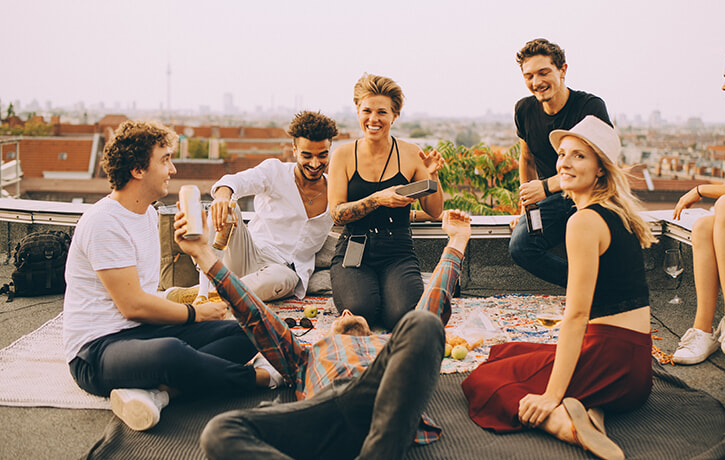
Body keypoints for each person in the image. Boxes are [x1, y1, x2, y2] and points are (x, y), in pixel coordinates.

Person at [171, 208, 471, 460]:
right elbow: (255, 315)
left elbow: (432, 305)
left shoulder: (390, 345)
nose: (347, 313)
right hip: (323, 411)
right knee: (220, 432)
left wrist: (457, 240)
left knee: (425, 324)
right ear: (326, 335)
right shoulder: (302, 356)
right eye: (342, 315)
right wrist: (202, 253)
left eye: (350, 314)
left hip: (384, 400)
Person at [463, 116, 655, 460]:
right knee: (506, 352)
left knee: (485, 378)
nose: (564, 162)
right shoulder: (619, 213)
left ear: (600, 169)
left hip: (607, 360)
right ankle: (590, 413)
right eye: (563, 154)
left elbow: (577, 316)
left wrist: (550, 395)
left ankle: (562, 423)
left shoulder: (583, 221)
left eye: (579, 156)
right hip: (636, 373)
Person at [63, 120, 271, 433]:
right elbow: (132, 305)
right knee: (172, 353)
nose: (172, 169)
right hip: (95, 352)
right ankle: (261, 379)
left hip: (140, 334)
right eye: (165, 160)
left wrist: (196, 249)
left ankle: (159, 394)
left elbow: (145, 306)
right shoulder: (104, 222)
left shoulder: (147, 213)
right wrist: (195, 314)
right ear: (137, 170)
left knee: (245, 333)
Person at [170, 111, 339, 303]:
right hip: (250, 253)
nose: (315, 163)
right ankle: (203, 289)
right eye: (307, 155)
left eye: (322, 155)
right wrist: (222, 198)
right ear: (294, 150)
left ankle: (216, 294)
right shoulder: (275, 171)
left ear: (330, 150)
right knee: (229, 206)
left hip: (286, 271)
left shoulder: (337, 190)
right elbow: (233, 182)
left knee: (277, 279)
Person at [328, 73, 444, 330]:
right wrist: (377, 199)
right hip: (354, 248)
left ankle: (391, 291)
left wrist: (433, 176)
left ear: (394, 115)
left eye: (382, 112)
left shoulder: (411, 153)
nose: (373, 119)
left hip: (398, 250)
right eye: (367, 110)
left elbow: (435, 211)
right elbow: (336, 214)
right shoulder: (343, 155)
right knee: (361, 312)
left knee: (402, 316)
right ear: (357, 110)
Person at [670, 47, 725, 365]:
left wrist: (702, 190)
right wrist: (700, 189)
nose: (723, 86)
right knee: (708, 222)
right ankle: (704, 329)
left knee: (724, 208)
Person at [509, 38, 612, 287]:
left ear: (562, 70)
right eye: (529, 75)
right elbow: (527, 158)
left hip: (591, 195)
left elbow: (600, 164)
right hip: (553, 200)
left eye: (544, 72)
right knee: (521, 247)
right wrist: (527, 203)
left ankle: (595, 287)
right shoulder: (524, 110)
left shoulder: (589, 107)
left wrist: (544, 188)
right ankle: (593, 285)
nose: (536, 82)